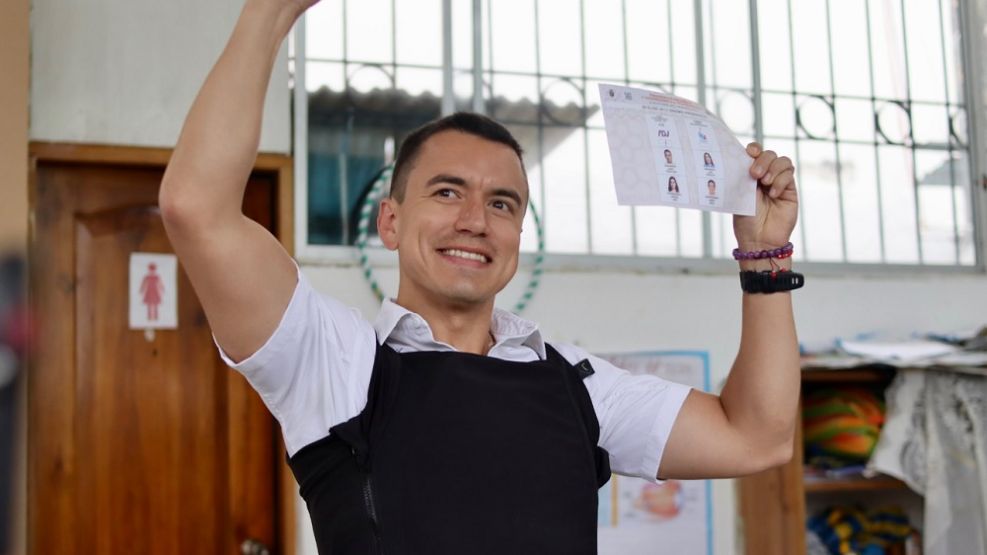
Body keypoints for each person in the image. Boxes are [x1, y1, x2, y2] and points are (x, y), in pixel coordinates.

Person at [159, 1, 801, 553]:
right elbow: (198, 208)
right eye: (446, 192)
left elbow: (756, 437)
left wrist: (766, 259)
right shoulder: (332, 362)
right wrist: (268, 13)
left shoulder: (577, 384)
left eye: (502, 203)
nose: (475, 221)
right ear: (389, 221)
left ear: (519, 232)